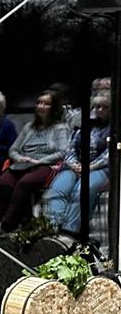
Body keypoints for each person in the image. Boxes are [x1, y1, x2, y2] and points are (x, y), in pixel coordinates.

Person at [0, 90, 70, 232]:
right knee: (4, 181)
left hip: (45, 165)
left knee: (25, 182)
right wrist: (20, 158)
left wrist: (40, 160)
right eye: (39, 103)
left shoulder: (60, 128)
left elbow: (62, 152)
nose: (41, 106)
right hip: (23, 163)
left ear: (54, 108)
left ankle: (8, 224)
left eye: (46, 104)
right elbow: (13, 149)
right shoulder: (29, 127)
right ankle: (24, 222)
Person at [44, 93, 111, 234]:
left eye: (104, 107)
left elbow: (109, 155)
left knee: (82, 190)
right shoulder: (83, 127)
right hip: (76, 167)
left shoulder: (113, 128)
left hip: (100, 168)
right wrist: (74, 165)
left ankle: (71, 231)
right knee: (57, 189)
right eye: (97, 107)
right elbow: (69, 150)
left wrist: (89, 167)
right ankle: (53, 229)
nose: (99, 110)